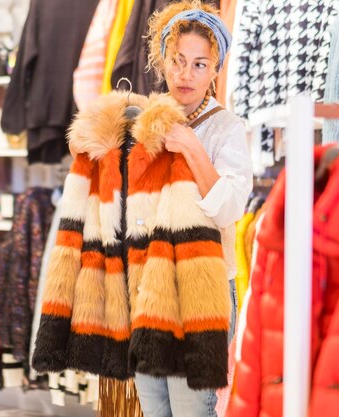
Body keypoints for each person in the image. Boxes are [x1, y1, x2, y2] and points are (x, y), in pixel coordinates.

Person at [132, 1, 252, 416]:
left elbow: (230, 208)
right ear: (163, 60)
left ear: (215, 70)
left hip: (204, 293)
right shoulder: (145, 124)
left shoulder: (227, 128)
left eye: (200, 65)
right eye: (179, 61)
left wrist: (192, 147)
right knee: (154, 408)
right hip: (149, 291)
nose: (186, 74)